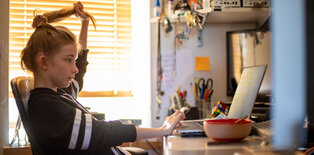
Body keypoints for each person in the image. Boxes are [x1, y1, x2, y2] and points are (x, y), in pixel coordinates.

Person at [20, 2, 185, 155]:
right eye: (68, 60)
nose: (75, 68)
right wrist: (161, 129)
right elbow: (102, 132)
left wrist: (84, 23)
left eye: (74, 60)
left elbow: (80, 67)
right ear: (44, 62)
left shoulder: (58, 95)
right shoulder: (47, 108)